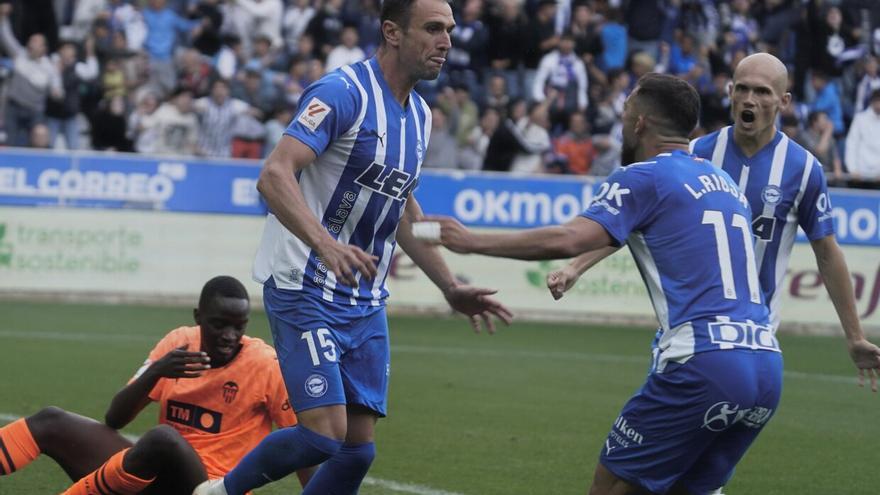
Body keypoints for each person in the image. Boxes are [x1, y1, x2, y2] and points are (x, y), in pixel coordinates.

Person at [193, 0, 513, 493]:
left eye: (449, 30)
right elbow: (274, 175)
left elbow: (401, 210)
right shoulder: (343, 93)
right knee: (324, 435)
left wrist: (450, 285)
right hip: (304, 282)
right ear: (392, 32)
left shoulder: (422, 117)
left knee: (358, 449)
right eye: (432, 29)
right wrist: (324, 244)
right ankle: (219, 491)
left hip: (364, 301)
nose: (446, 41)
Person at [428, 72, 782, 494]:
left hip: (703, 362)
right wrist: (578, 268)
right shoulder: (722, 182)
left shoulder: (642, 176)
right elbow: (626, 231)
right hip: (766, 365)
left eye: (625, 113)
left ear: (640, 124)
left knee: (611, 485)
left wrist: (471, 242)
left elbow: (568, 236)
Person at [555, 54, 880, 386]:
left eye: (762, 92)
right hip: (692, 327)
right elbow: (633, 215)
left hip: (755, 334)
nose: (749, 99)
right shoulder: (696, 153)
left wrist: (854, 336)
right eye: (742, 89)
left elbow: (827, 252)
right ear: (730, 92)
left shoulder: (803, 169)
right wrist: (575, 267)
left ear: (784, 102)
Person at [0, 276, 313, 494]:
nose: (229, 336)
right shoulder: (178, 342)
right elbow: (115, 419)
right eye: (219, 324)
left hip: (214, 488)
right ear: (198, 317)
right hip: (154, 477)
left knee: (164, 438)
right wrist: (158, 371)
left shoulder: (265, 364)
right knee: (51, 421)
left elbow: (307, 443)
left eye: (239, 326)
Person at [845, 89, 880, 188]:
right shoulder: (860, 119)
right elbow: (852, 144)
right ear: (872, 102)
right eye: (877, 101)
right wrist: (853, 169)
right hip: (860, 175)